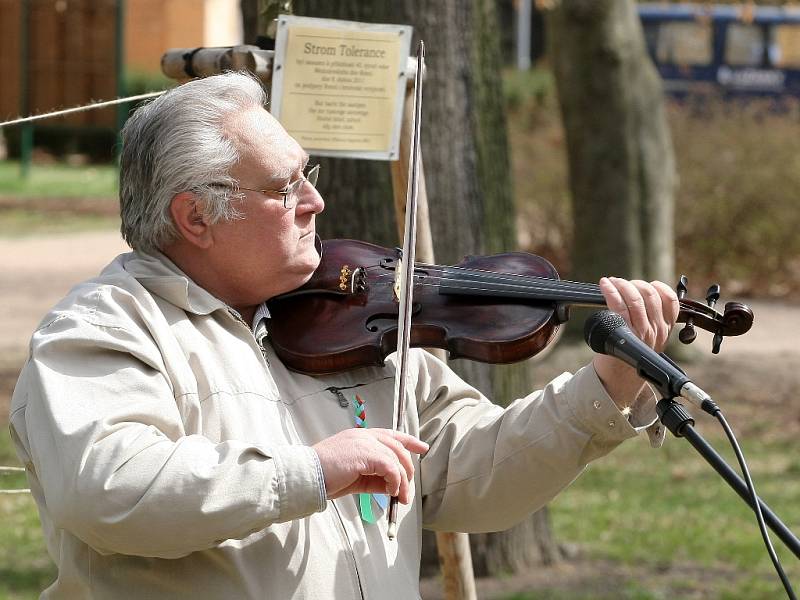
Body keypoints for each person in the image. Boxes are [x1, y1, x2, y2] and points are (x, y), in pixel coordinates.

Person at [10, 72, 678, 599]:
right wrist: (314, 471)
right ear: (196, 217)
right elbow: (107, 489)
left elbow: (479, 478)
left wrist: (605, 390)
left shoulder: (353, 322)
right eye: (284, 186)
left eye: (310, 175)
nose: (314, 202)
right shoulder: (108, 326)